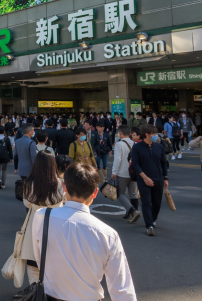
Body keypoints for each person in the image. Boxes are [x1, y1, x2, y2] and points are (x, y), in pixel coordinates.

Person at [31, 163, 136, 301]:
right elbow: (122, 289)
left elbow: (39, 258)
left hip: (50, 296)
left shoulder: (42, 216)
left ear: (64, 188)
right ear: (95, 192)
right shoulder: (108, 234)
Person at [20, 151, 65, 283]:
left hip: (35, 226)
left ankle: (36, 292)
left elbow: (27, 204)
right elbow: (66, 202)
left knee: (33, 265)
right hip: (56, 227)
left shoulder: (28, 183)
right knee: (54, 266)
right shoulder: (61, 183)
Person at [130, 125, 169, 235]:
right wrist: (145, 177)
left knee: (157, 203)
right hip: (143, 179)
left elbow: (163, 163)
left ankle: (152, 219)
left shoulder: (159, 147)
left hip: (158, 178)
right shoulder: (137, 147)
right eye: (154, 134)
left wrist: (165, 178)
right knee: (146, 202)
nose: (156, 136)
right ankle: (149, 225)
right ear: (147, 134)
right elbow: (135, 164)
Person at [110, 126, 141, 222]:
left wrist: (114, 172)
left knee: (120, 193)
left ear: (121, 133)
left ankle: (131, 210)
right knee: (133, 194)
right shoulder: (135, 143)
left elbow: (117, 159)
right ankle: (132, 213)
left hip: (122, 172)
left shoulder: (119, 144)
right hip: (134, 172)